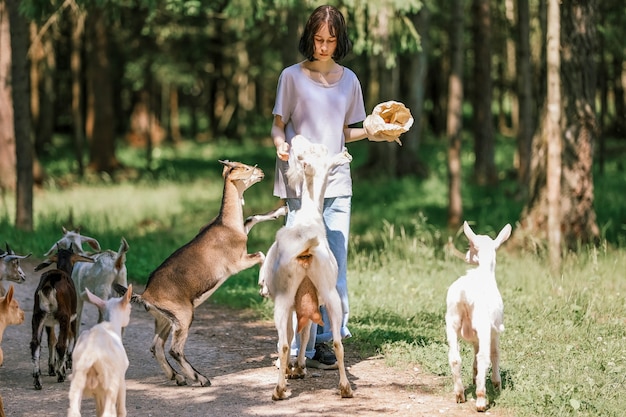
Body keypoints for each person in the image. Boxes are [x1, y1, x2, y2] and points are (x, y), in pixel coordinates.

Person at [270, 5, 401, 369]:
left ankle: (327, 339)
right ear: (308, 37)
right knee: (296, 266)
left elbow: (344, 133)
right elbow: (279, 125)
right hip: (300, 183)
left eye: (330, 40)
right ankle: (297, 346)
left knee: (333, 266)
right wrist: (280, 144)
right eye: (318, 39)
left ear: (339, 41)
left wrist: (377, 133)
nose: (324, 47)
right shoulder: (291, 77)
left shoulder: (349, 81)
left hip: (337, 184)